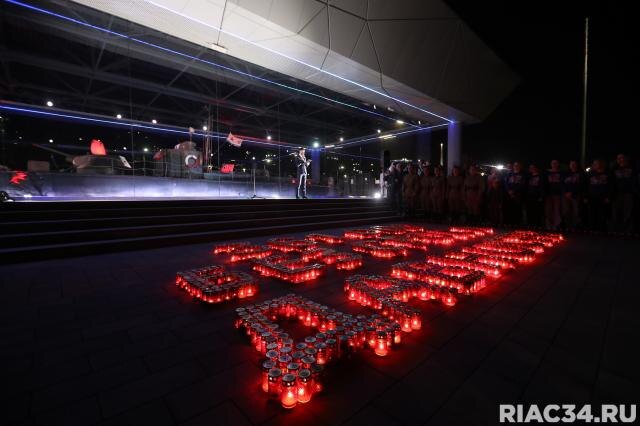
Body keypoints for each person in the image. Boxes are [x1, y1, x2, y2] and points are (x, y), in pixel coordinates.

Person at [585, 159, 613, 231]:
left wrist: (608, 196)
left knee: (602, 213)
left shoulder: (608, 173)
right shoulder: (590, 174)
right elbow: (586, 186)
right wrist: (586, 196)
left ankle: (601, 229)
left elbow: (611, 186)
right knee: (592, 213)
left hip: (603, 197)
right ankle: (592, 229)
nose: (597, 165)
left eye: (598, 163)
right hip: (592, 197)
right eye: (595, 164)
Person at [611, 154, 635, 233]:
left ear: (626, 159)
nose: (620, 160)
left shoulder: (632, 168)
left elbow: (635, 180)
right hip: (617, 193)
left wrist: (634, 190)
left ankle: (627, 230)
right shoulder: (614, 169)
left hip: (628, 192)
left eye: (622, 158)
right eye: (618, 158)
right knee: (616, 211)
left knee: (628, 212)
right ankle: (616, 229)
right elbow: (611, 182)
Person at [562, 160, 584, 230]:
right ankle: (568, 227)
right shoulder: (565, 174)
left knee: (576, 211)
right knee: (566, 211)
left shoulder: (581, 174)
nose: (573, 165)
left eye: (574, 164)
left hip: (576, 195)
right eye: (571, 164)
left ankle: (575, 227)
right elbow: (562, 184)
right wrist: (566, 192)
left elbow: (581, 185)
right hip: (566, 196)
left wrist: (572, 192)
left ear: (577, 165)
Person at [544, 160, 563, 230]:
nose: (554, 164)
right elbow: (544, 183)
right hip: (548, 194)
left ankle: (556, 225)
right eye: (553, 163)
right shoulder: (546, 172)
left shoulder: (561, 172)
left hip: (557, 194)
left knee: (556, 210)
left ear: (558, 164)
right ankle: (549, 226)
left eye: (555, 163)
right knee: (548, 210)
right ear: (551, 164)